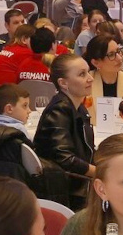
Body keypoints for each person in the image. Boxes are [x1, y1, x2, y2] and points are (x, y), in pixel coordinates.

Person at [32, 53, 97, 208]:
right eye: (82, 74)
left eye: (88, 72)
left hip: (74, 183)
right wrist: (99, 172)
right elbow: (65, 158)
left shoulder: (78, 107)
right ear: (63, 83)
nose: (90, 78)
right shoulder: (59, 110)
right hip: (63, 190)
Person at [83, 34, 123, 100]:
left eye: (118, 51)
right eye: (111, 55)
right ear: (96, 63)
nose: (119, 58)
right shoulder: (85, 83)